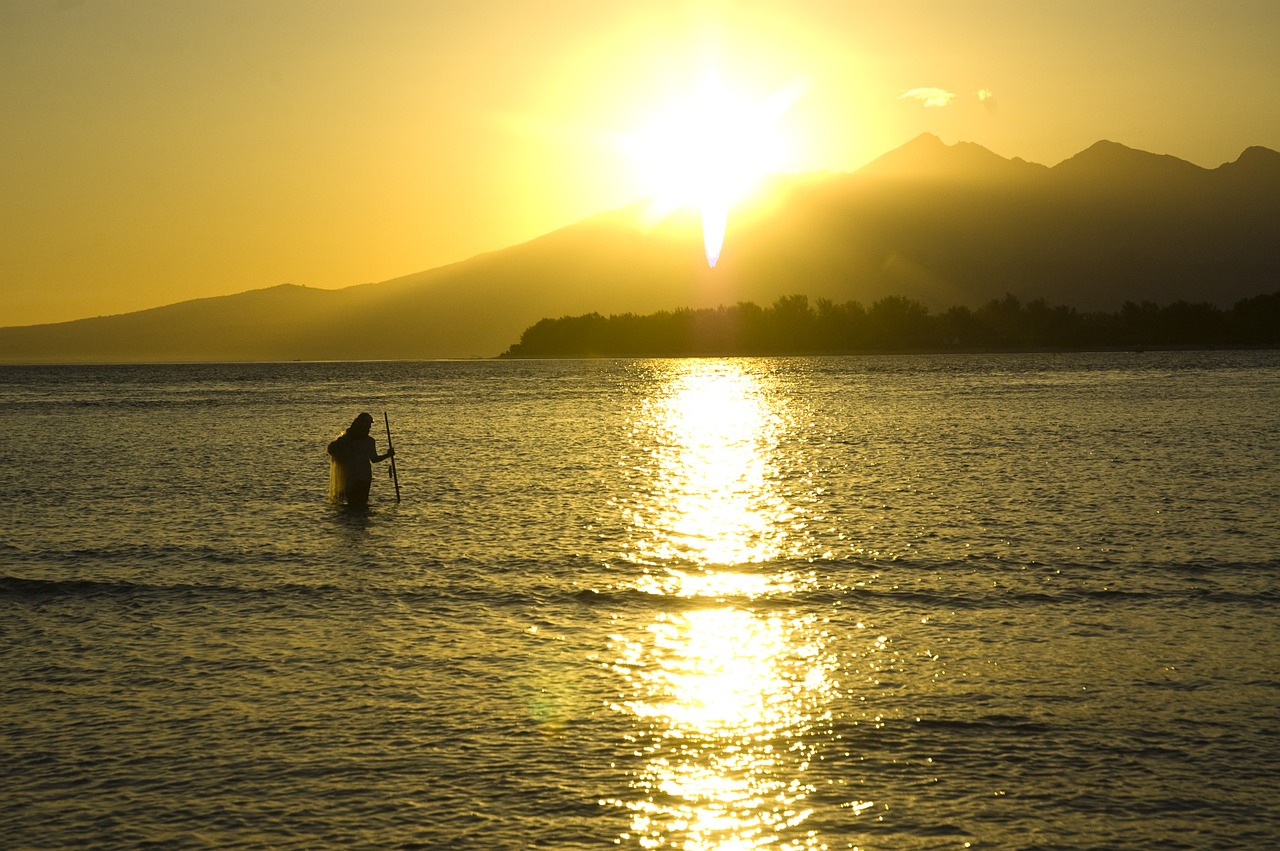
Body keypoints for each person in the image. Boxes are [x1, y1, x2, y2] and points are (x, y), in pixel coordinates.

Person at [327, 412, 394, 509]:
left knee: (356, 505)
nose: (369, 428)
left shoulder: (354, 440)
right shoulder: (350, 440)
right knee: (359, 504)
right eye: (368, 425)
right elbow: (374, 459)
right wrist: (388, 455)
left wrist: (388, 455)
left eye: (369, 426)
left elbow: (374, 459)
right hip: (357, 478)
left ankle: (354, 522)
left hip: (358, 477)